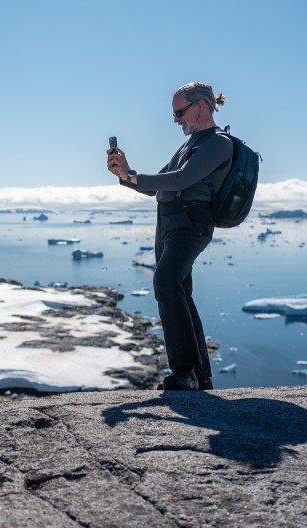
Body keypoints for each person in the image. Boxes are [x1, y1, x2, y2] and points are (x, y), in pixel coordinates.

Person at [107, 82, 232, 391]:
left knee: (165, 282)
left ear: (201, 106)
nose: (176, 119)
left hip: (190, 223)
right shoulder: (190, 145)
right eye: (174, 114)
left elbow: (182, 179)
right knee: (180, 293)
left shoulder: (217, 143)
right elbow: (156, 186)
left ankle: (182, 372)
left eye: (179, 112)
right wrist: (126, 173)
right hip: (169, 224)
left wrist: (132, 176)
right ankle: (200, 376)